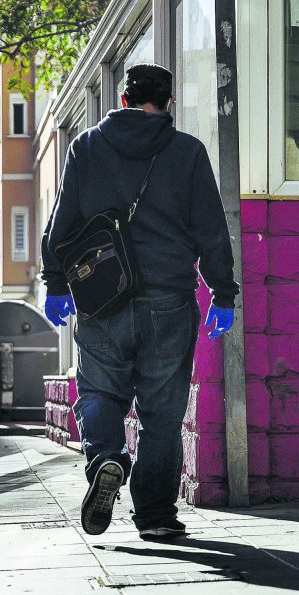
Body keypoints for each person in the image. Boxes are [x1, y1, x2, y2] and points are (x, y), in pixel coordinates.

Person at [40, 64, 239, 541]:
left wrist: (56, 283)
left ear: (124, 99)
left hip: (102, 298)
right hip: (168, 299)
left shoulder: (86, 146)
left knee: (100, 392)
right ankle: (154, 515)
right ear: (169, 103)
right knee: (162, 412)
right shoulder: (188, 152)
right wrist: (223, 293)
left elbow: (62, 222)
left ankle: (106, 457)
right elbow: (210, 228)